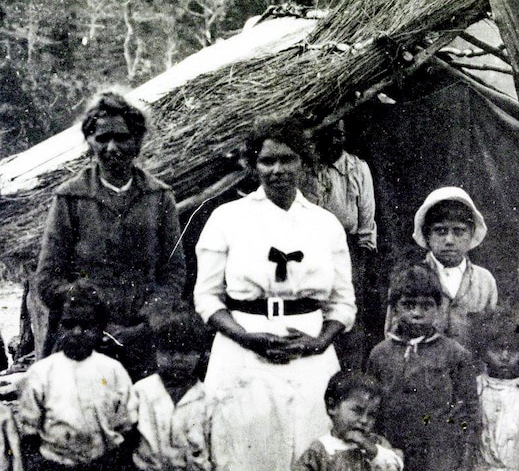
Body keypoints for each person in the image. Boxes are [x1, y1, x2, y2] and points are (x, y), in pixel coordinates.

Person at [193, 118, 355, 469]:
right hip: (242, 352)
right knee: (245, 453)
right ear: (253, 166)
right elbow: (206, 298)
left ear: (303, 161)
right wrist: (248, 338)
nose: (278, 169)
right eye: (267, 161)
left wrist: (319, 341)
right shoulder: (227, 219)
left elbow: (343, 303)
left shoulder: (324, 224)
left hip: (310, 353)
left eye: (287, 159)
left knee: (310, 447)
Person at [33, 91, 186, 381]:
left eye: (121, 137)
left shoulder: (159, 196)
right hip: (84, 340)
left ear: (137, 141)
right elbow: (47, 279)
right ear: (90, 143)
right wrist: (90, 318)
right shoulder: (70, 197)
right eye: (102, 139)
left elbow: (174, 272)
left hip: (144, 339)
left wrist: (145, 322)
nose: (112, 148)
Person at [367, 264, 478, 471]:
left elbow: (468, 412)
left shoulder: (455, 354)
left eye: (426, 306)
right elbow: (371, 409)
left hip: (439, 455)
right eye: (408, 305)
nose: (417, 313)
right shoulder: (380, 354)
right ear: (395, 307)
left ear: (438, 308)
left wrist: (464, 461)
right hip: (393, 449)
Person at [18, 280, 137, 470]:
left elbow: (127, 425)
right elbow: (29, 433)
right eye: (68, 324)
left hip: (103, 463)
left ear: (100, 328)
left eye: (86, 325)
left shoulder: (113, 371)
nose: (77, 332)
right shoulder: (41, 374)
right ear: (56, 327)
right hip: (56, 464)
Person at [384, 187, 498, 347]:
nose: (449, 240)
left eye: (458, 231)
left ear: (471, 233)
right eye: (441, 231)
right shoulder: (410, 278)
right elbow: (392, 337)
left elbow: (493, 336)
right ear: (427, 235)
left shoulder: (484, 281)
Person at [309, 119, 378, 371]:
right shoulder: (308, 170)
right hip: (312, 249)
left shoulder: (357, 168)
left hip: (349, 249)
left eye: (338, 135)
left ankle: (351, 371)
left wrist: (362, 256)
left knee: (349, 311)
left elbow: (366, 217)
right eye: (326, 135)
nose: (332, 141)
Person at [131, 309, 213, 471]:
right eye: (169, 351)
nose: (177, 359)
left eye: (185, 351)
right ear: (155, 351)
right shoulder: (141, 391)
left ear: (200, 353)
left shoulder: (208, 398)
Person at [471, 312, 519, 471]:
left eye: (512, 349)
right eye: (498, 349)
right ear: (484, 351)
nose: (505, 356)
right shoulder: (475, 390)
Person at [293, 371, 404, 471]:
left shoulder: (377, 443)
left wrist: (373, 451)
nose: (364, 420)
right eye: (357, 411)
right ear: (333, 407)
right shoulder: (319, 450)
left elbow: (395, 466)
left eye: (371, 415)